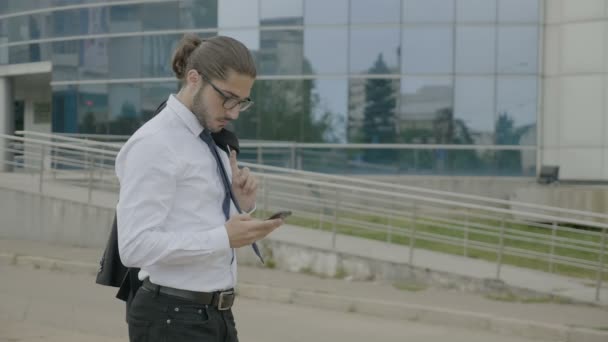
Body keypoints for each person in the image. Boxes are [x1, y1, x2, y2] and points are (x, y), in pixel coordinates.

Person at [115, 34, 284, 342]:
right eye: (228, 98)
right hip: (171, 317)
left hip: (215, 315)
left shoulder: (213, 141)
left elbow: (197, 219)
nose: (233, 112)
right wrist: (223, 237)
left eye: (242, 103)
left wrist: (242, 205)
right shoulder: (155, 143)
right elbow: (134, 246)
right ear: (194, 78)